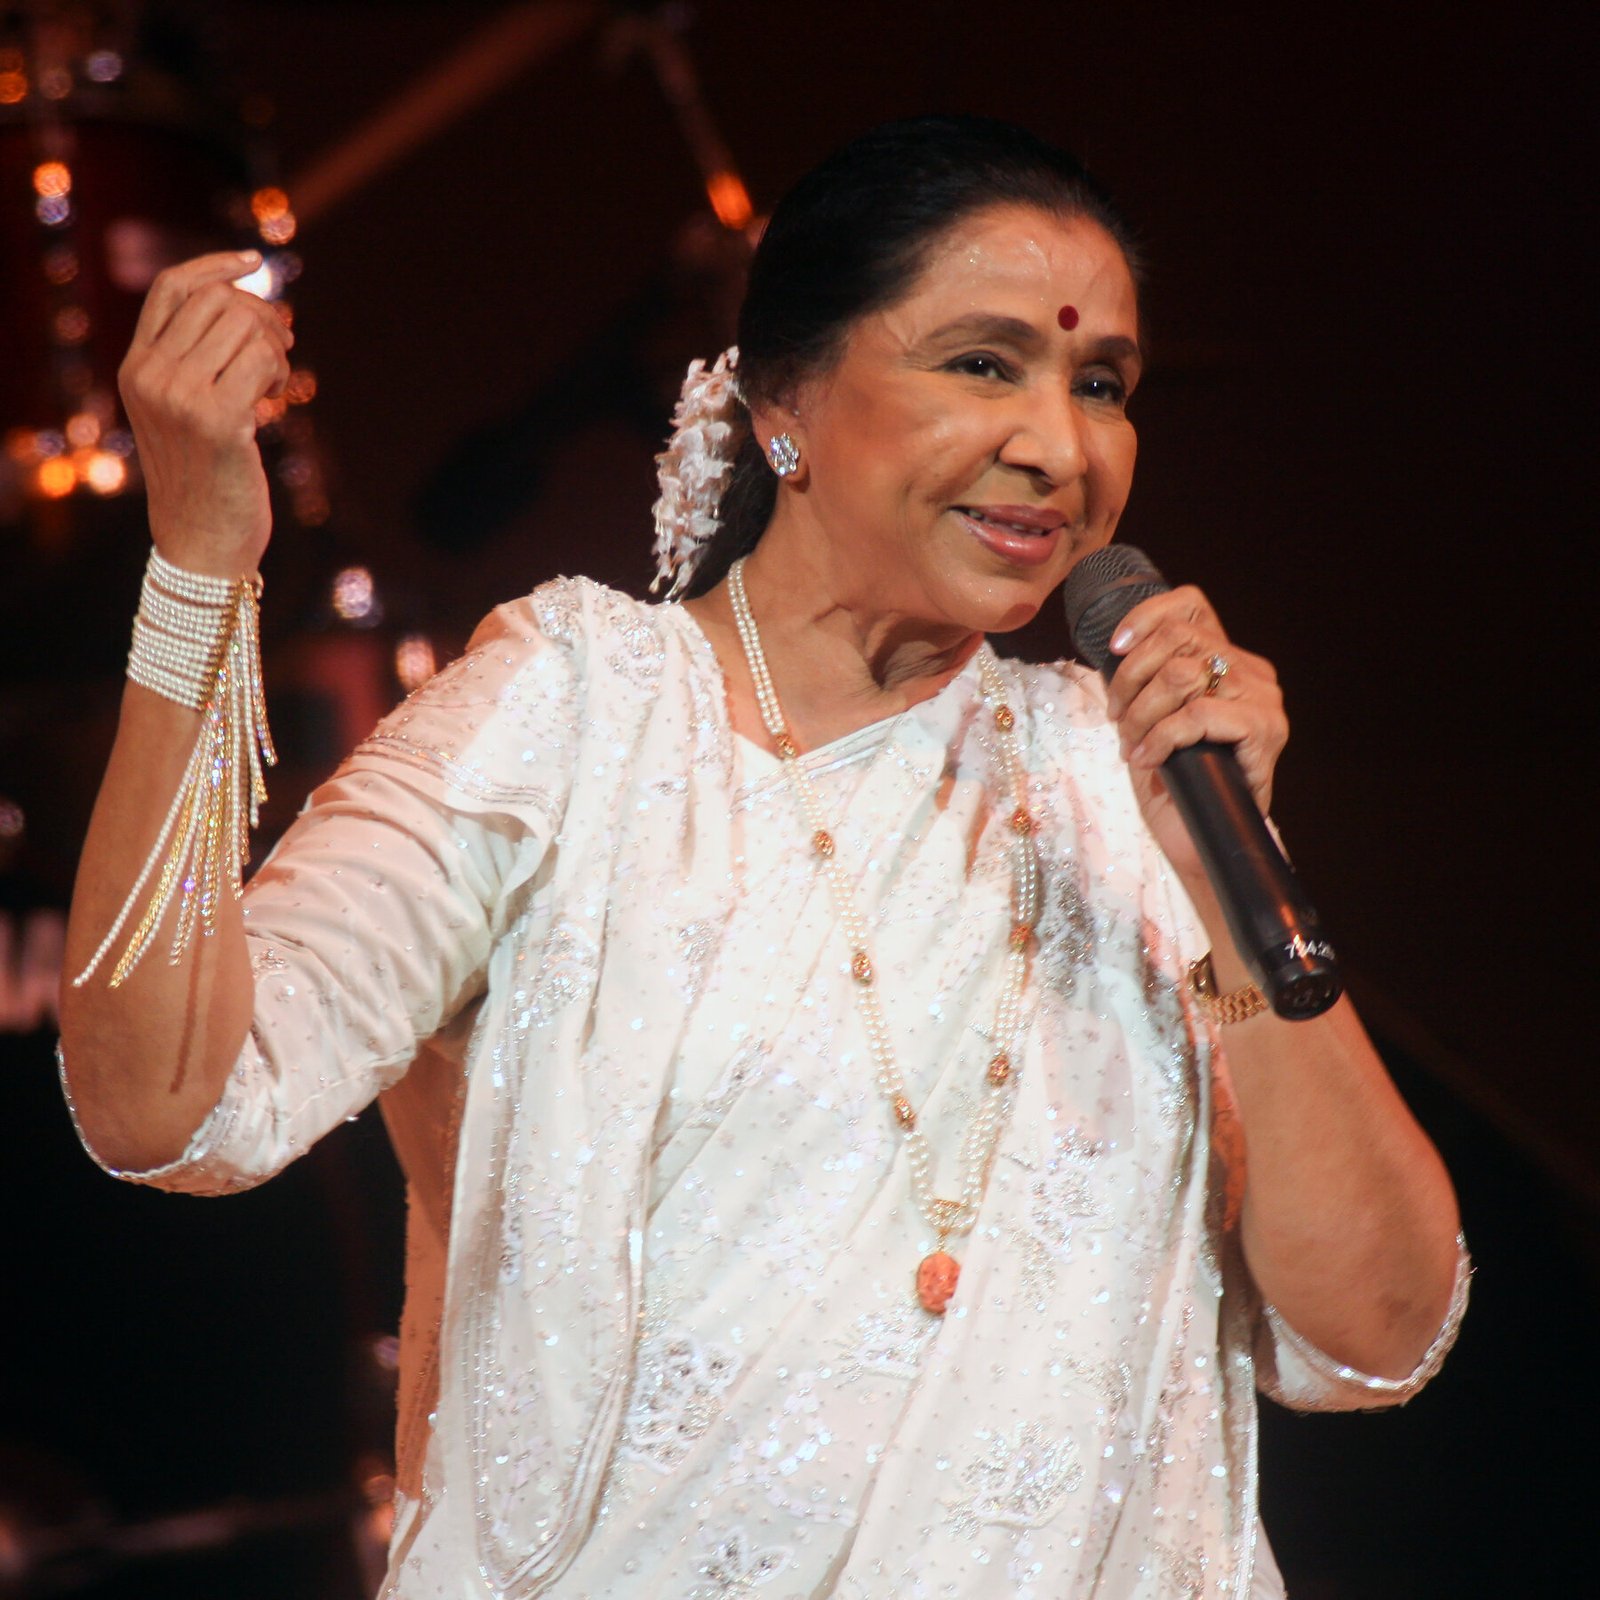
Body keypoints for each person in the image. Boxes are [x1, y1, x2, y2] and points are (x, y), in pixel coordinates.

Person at [58, 116, 1467, 1599]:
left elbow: (1382, 1336)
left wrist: (1223, 896)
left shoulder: (1132, 780)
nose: (1060, 446)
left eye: (1101, 383)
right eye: (983, 364)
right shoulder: (579, 712)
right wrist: (198, 566)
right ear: (784, 405)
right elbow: (167, 1101)